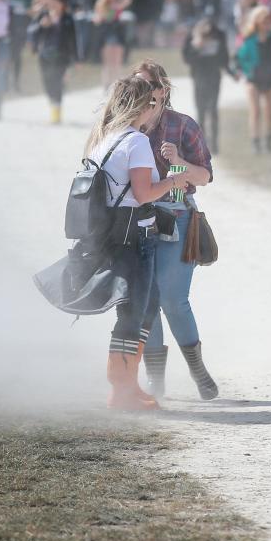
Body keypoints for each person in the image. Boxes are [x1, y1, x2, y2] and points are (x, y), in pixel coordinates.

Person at [83, 75, 192, 411]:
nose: (155, 110)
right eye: (154, 103)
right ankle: (122, 390)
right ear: (145, 106)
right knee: (134, 310)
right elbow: (144, 193)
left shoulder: (106, 138)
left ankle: (127, 383)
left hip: (114, 235)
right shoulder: (137, 142)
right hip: (134, 237)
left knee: (144, 304)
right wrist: (174, 179)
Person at [131, 61, 218, 401]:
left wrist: (179, 160)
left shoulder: (182, 126)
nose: (141, 93)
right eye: (134, 85)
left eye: (146, 86)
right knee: (147, 301)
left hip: (178, 216)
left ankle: (198, 371)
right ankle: (156, 381)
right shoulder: (126, 127)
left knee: (173, 299)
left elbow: (204, 177)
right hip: (137, 221)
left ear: (161, 90)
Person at [235, 5, 271, 154]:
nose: (267, 23)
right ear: (257, 21)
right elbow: (239, 58)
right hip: (253, 79)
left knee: (269, 112)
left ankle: (269, 142)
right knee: (255, 111)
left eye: (269, 20)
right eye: (264, 20)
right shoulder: (248, 39)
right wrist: (243, 71)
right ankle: (256, 143)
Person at [182, 17, 236, 153]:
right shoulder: (192, 37)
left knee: (213, 110)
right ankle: (202, 144)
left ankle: (215, 145)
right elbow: (187, 59)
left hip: (214, 77)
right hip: (198, 76)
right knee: (200, 111)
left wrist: (232, 73)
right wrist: (197, 47)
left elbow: (224, 59)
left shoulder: (219, 36)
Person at [28, 0, 78, 124]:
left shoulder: (68, 18)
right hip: (44, 55)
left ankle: (56, 113)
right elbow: (31, 32)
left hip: (62, 55)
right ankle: (53, 103)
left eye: (56, 2)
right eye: (52, 2)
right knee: (47, 83)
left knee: (58, 82)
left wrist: (76, 58)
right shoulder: (43, 15)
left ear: (62, 4)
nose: (53, 5)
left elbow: (74, 39)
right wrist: (41, 25)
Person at [93, 0, 132, 90]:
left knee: (117, 60)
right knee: (108, 61)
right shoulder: (101, 2)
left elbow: (127, 0)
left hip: (117, 31)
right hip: (106, 31)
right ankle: (106, 85)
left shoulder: (119, 0)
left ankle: (117, 84)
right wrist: (101, 16)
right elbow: (97, 18)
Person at [7, 0, 28, 92]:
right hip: (7, 33)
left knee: (17, 59)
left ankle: (15, 83)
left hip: (19, 33)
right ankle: (4, 84)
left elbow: (25, 13)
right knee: (6, 59)